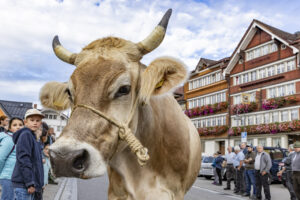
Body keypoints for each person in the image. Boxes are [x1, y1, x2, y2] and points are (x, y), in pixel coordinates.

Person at [11, 109, 45, 200]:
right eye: (32, 120)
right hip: (24, 185)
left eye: (37, 121)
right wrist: (30, 183)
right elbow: (24, 160)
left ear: (40, 123)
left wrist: (40, 183)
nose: (35, 123)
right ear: (25, 122)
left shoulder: (33, 137)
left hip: (31, 184)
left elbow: (37, 163)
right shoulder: (26, 135)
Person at [0, 117, 24, 200]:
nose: (18, 127)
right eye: (15, 125)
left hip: (15, 177)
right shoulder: (10, 140)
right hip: (8, 176)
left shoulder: (20, 139)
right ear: (10, 128)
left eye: (21, 125)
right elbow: (1, 158)